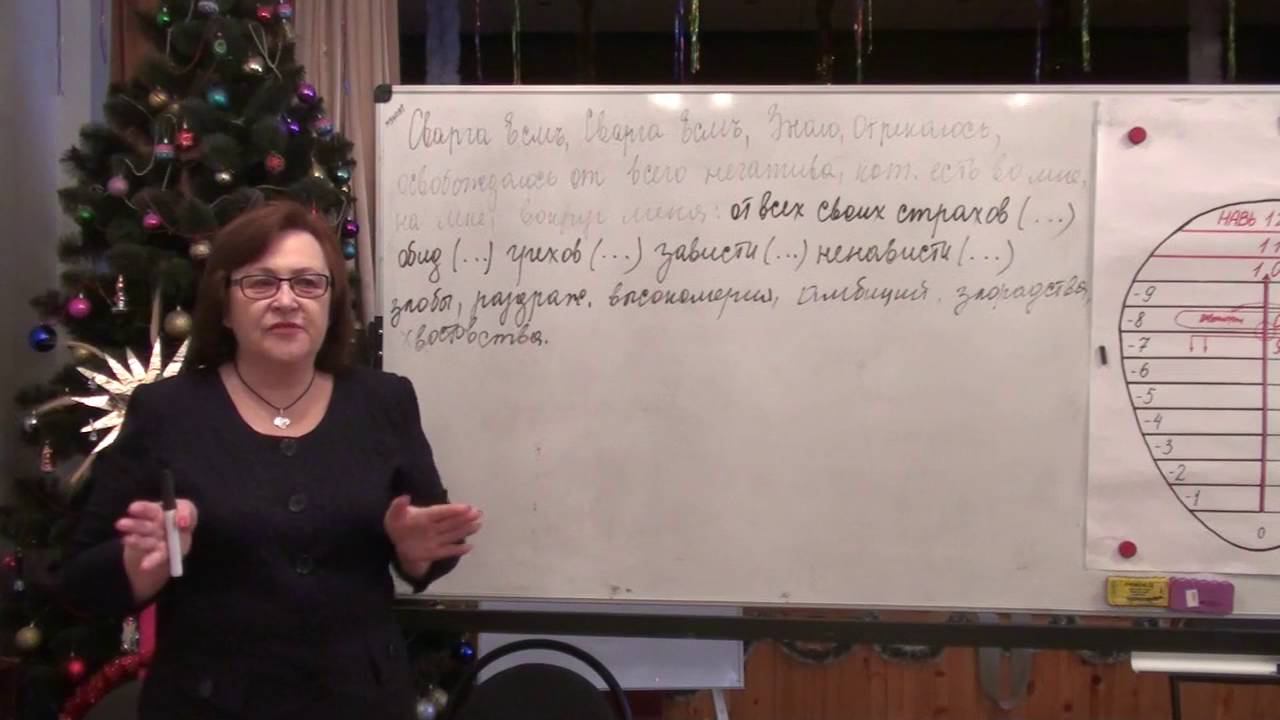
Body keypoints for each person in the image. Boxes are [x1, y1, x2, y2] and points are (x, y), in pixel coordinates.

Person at [57, 200, 483, 719]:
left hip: (360, 701)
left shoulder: (384, 402)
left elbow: (433, 546)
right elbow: (80, 582)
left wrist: (414, 552)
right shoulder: (167, 411)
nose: (286, 300)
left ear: (332, 302)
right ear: (225, 306)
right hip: (206, 704)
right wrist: (141, 564)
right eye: (260, 283)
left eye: (308, 283)